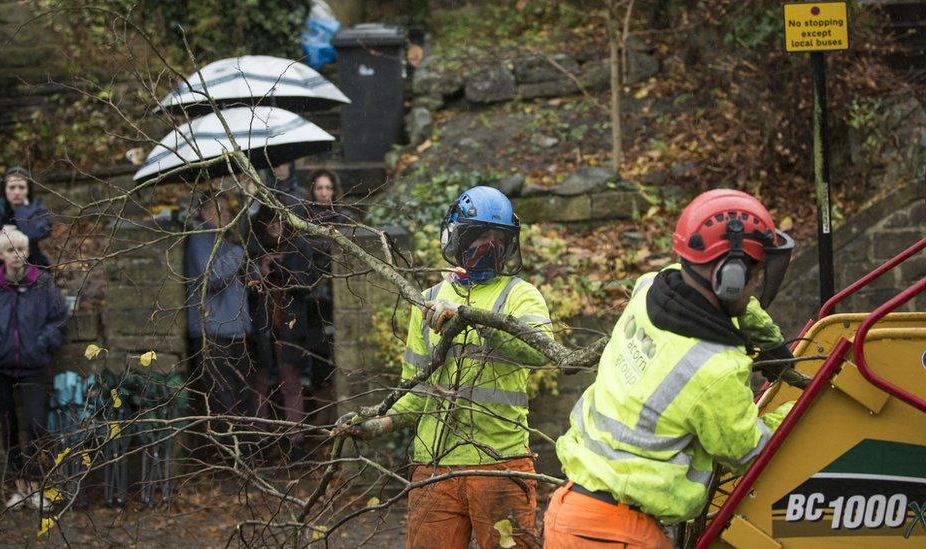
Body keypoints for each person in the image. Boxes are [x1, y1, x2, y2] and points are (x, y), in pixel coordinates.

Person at [543, 189, 797, 548]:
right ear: (730, 276)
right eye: (754, 274)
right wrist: (798, 408)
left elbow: (720, 306)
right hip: (616, 534)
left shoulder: (651, 288)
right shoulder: (714, 368)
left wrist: (771, 344)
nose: (757, 284)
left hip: (571, 513)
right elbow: (750, 452)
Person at [336, 186, 554, 549]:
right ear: (457, 236)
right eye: (482, 236)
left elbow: (542, 351)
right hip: (432, 464)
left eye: (499, 239)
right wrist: (378, 423)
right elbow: (416, 390)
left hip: (500, 461)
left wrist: (474, 320)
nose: (491, 246)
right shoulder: (429, 300)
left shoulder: (520, 295)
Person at [0, 227, 66, 510]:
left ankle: (35, 486)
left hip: (34, 366)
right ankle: (19, 488)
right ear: (0, 255)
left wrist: (41, 343)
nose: (16, 255)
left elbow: (59, 319)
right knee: (9, 427)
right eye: (10, 250)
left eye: (20, 249)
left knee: (35, 425)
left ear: (27, 252)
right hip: (0, 368)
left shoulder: (43, 283)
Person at [184, 191, 256, 458]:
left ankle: (245, 456)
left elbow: (239, 275)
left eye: (228, 210)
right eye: (220, 209)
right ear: (204, 213)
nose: (227, 214)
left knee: (241, 397)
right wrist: (239, 252)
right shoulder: (199, 239)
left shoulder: (224, 240)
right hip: (213, 332)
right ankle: (230, 459)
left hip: (235, 330)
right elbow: (212, 277)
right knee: (223, 398)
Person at [251, 206, 317, 453]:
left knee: (291, 382)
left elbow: (310, 281)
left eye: (279, 221)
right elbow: (246, 286)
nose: (275, 227)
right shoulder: (254, 250)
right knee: (260, 384)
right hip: (261, 327)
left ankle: (295, 441)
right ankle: (261, 441)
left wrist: (283, 273)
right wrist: (261, 272)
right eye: (270, 222)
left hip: (289, 327)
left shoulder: (298, 247)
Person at [304, 169, 355, 388]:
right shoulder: (303, 219)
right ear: (313, 191)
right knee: (318, 353)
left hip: (341, 290)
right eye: (319, 188)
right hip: (313, 294)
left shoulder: (345, 219)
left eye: (328, 188)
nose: (324, 193)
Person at [0, 166, 53, 280]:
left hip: (32, 276)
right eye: (12, 187)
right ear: (4, 189)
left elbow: (34, 235)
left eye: (21, 187)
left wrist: (22, 210)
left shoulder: (38, 212)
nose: (16, 192)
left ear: (28, 190)